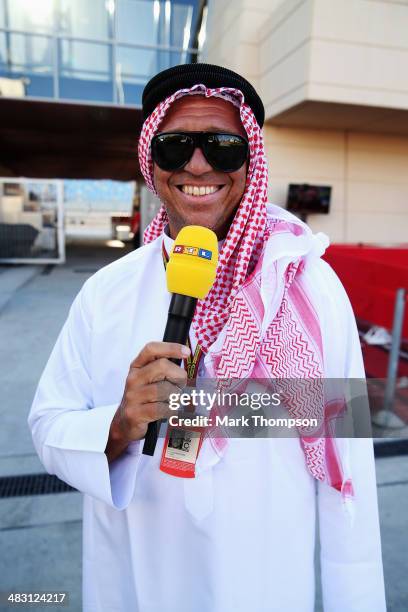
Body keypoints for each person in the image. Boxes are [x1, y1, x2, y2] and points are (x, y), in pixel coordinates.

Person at [28, 63, 386, 612]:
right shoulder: (107, 293)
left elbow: (347, 468)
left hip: (267, 582)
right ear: (152, 161)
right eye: (175, 147)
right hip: (142, 579)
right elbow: (48, 427)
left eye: (222, 145)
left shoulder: (311, 288)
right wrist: (121, 423)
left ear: (250, 162)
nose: (198, 164)